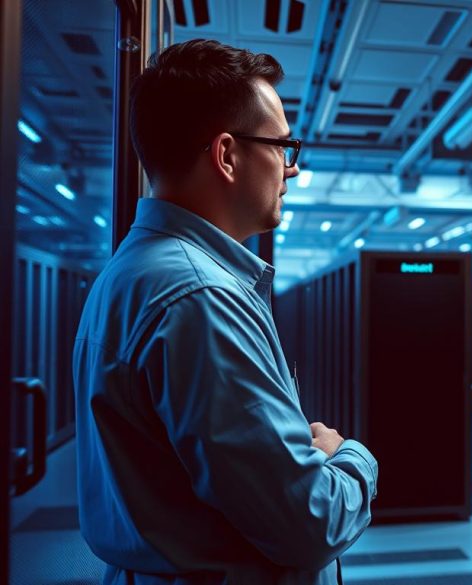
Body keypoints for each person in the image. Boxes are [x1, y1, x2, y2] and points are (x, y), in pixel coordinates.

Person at [73, 39, 377, 585]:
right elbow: (309, 525)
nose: (292, 170)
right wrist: (348, 456)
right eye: (283, 147)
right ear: (227, 155)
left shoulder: (132, 272)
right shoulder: (200, 298)